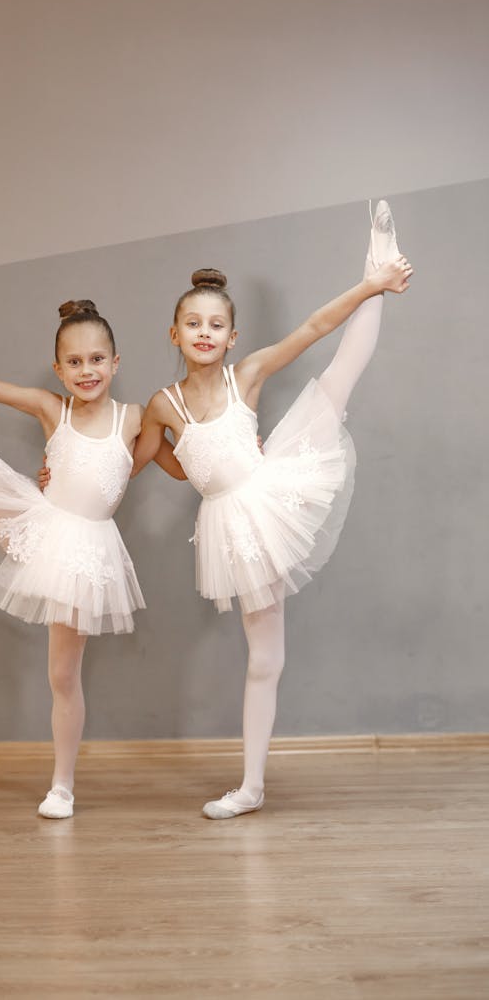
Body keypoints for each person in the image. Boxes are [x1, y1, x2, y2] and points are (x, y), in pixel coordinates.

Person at [132, 201, 413, 818]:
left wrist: (370, 285)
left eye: (215, 325)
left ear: (231, 338)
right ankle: (252, 787)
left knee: (340, 375)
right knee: (265, 657)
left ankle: (378, 260)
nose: (204, 333)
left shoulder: (248, 374)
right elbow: (143, 459)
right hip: (231, 526)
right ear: (174, 334)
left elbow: (314, 328)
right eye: (192, 323)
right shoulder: (161, 405)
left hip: (271, 490)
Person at [0, 298, 182, 818]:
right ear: (58, 369)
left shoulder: (134, 418)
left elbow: (174, 466)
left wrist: (238, 454)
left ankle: (62, 784)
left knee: (64, 676)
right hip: (40, 524)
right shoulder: (53, 408)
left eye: (96, 359)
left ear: (116, 363)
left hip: (86, 550)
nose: (86, 371)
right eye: (74, 362)